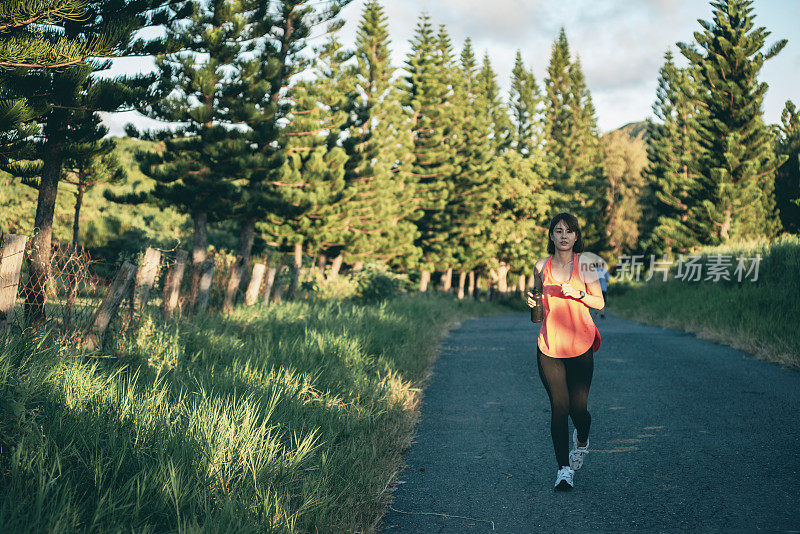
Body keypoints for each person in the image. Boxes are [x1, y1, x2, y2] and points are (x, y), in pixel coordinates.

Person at [527, 212, 603, 491]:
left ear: (576, 236)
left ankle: (581, 440)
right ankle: (563, 469)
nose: (563, 236)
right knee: (559, 407)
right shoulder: (539, 266)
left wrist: (579, 293)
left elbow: (599, 303)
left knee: (578, 410)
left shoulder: (585, 265)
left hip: (580, 342)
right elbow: (536, 309)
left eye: (569, 231)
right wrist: (530, 300)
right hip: (549, 345)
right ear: (551, 235)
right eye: (558, 231)